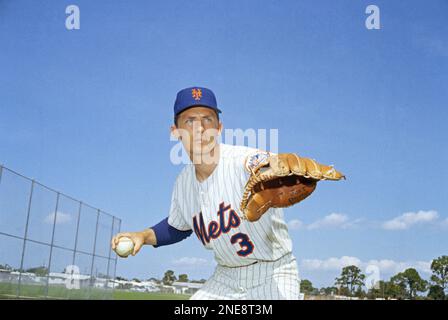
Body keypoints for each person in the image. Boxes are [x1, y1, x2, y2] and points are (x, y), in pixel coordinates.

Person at [111, 86, 302, 300]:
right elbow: (177, 227)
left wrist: (285, 176)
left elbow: (268, 166)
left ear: (219, 128)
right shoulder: (183, 183)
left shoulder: (245, 161)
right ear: (175, 131)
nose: (200, 128)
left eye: (207, 119)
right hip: (226, 276)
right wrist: (142, 236)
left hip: (273, 272)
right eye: (190, 121)